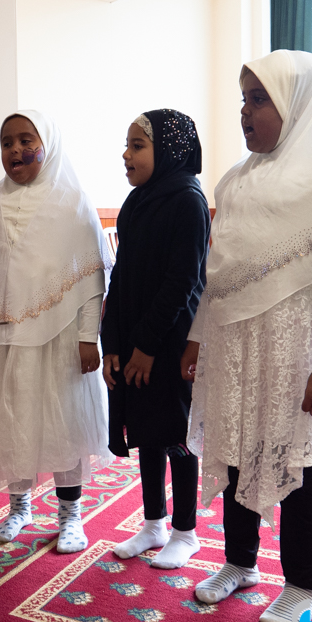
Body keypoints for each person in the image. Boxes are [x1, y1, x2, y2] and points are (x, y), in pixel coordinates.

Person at [181, 50, 312, 622]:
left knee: (300, 462)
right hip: (235, 350)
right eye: (243, 100)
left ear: (299, 104)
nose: (245, 113)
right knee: (238, 451)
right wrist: (197, 337)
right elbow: (216, 278)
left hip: (298, 355)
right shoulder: (236, 183)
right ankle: (239, 563)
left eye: (259, 99)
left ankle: (304, 582)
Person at [0, 110, 114, 554]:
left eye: (27, 140)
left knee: (60, 424)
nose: (16, 150)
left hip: (57, 339)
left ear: (50, 143)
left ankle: (70, 516)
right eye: (7, 142)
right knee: (12, 423)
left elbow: (90, 281)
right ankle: (19, 508)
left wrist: (88, 338)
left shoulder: (73, 203)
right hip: (0, 338)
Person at [100, 109, 210, 570]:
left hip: (169, 340)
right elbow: (121, 276)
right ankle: (154, 523)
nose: (126, 155)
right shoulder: (138, 202)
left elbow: (182, 282)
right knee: (147, 430)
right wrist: (113, 342)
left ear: (166, 150)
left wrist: (145, 345)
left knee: (176, 432)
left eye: (137, 145)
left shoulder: (187, 200)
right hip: (134, 338)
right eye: (126, 145)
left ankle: (185, 532)